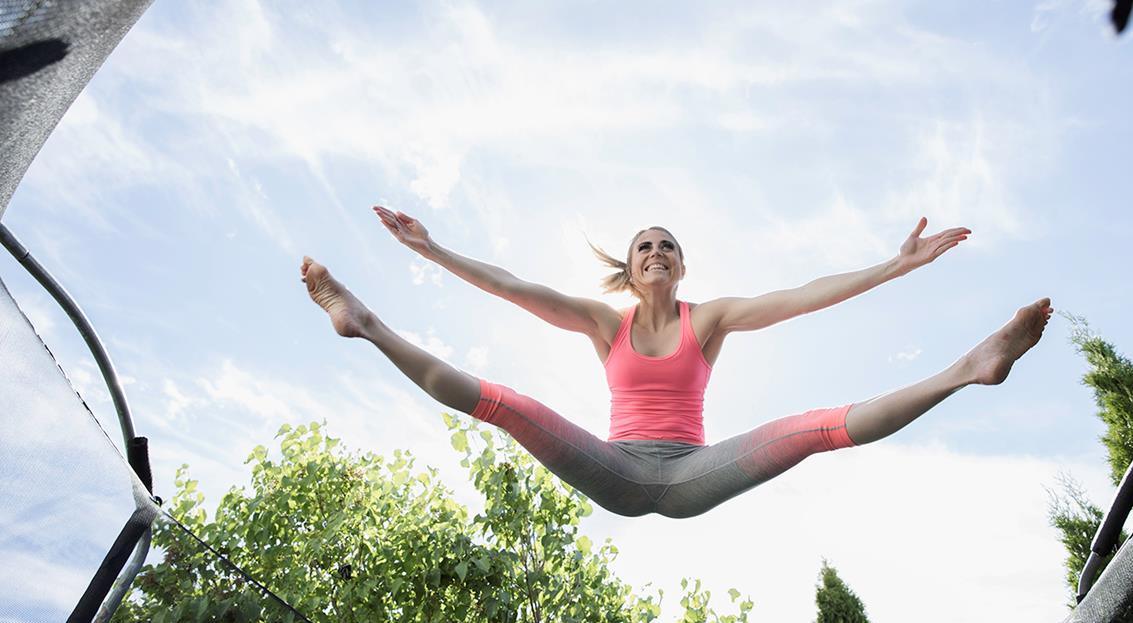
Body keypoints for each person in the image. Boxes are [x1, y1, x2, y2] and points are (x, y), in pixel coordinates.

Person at [301, 208, 1051, 518]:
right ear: (630, 272)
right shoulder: (604, 321)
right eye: (644, 247)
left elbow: (803, 296)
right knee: (508, 405)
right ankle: (364, 322)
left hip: (693, 473)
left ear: (680, 268)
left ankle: (968, 369)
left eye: (667, 246)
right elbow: (514, 287)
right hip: (617, 469)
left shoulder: (711, 318)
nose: (656, 252)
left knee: (814, 427)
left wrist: (893, 268)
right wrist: (432, 250)